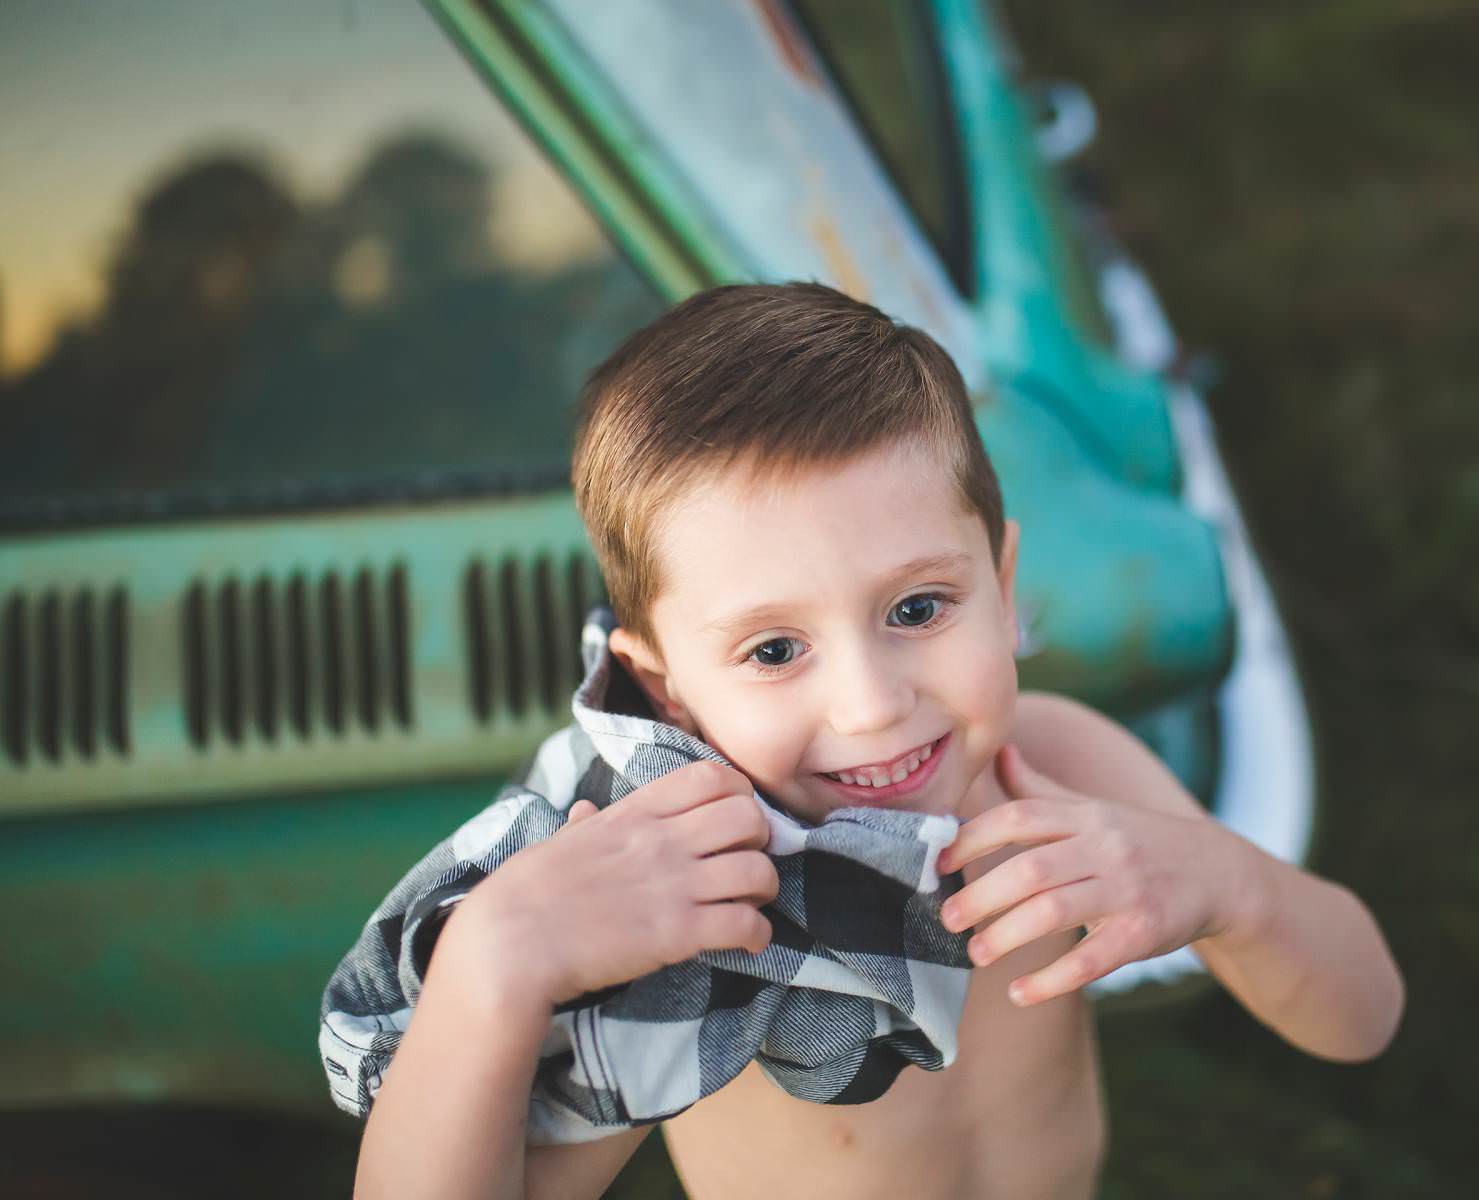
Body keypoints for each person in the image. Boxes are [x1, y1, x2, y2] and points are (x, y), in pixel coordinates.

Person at [349, 283, 1404, 1198]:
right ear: (666, 690)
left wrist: (1236, 886)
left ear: (1002, 580)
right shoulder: (705, 902)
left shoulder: (1059, 766)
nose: (870, 705)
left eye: (916, 609)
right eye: (773, 650)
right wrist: (490, 966)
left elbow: (1361, 1020)